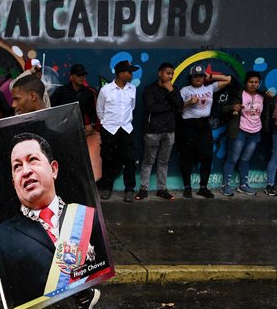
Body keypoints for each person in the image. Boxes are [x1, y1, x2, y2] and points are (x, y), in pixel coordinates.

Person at [0, 132, 104, 309]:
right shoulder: (2, 235)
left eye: (32, 160)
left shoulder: (87, 217)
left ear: (54, 169)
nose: (26, 171)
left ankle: (83, 295)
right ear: (14, 182)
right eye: (17, 166)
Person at [178, 65, 231, 198]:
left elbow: (228, 80)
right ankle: (187, 187)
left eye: (200, 76)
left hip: (204, 125)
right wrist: (189, 102)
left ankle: (203, 187)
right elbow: (177, 108)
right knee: (187, 156)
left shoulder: (209, 87)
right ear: (191, 78)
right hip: (188, 125)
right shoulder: (185, 90)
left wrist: (211, 77)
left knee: (207, 156)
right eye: (195, 76)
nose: (198, 78)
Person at [135, 62, 183, 201]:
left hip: (169, 131)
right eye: (168, 73)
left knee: (163, 162)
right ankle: (143, 189)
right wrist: (170, 106)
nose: (170, 76)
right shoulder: (149, 89)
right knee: (148, 161)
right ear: (160, 73)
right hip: (152, 131)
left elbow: (179, 105)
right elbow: (151, 108)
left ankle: (162, 189)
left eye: (172, 74)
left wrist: (170, 90)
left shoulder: (173, 89)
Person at [221, 71, 271, 197]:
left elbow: (266, 113)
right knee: (233, 158)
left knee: (245, 159)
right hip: (240, 131)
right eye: (251, 82)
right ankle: (225, 185)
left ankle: (243, 185)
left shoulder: (262, 97)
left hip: (255, 132)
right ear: (246, 83)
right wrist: (233, 107)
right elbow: (223, 109)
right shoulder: (239, 94)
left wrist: (271, 97)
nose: (253, 84)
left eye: (256, 82)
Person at [96, 60, 138, 203]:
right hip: (109, 129)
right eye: (129, 72)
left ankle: (129, 189)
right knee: (107, 159)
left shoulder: (132, 89)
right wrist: (106, 122)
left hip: (126, 129)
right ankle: (107, 187)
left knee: (130, 159)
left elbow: (132, 107)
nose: (131, 75)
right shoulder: (106, 90)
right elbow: (100, 110)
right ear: (120, 74)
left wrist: (123, 121)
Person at [50, 63, 98, 135]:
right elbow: (51, 109)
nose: (81, 77)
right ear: (71, 77)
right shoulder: (61, 91)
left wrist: (91, 125)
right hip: (61, 130)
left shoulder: (88, 93)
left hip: (80, 130)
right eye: (78, 75)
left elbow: (92, 112)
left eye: (83, 75)